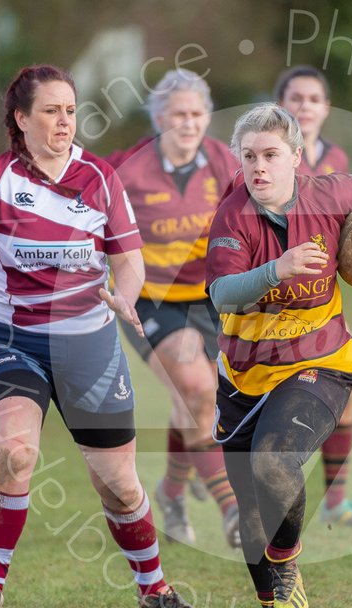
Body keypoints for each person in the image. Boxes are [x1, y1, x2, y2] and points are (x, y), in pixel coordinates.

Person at [0, 64, 196, 608]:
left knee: (120, 484)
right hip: (12, 342)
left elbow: (129, 260)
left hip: (89, 345)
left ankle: (153, 587)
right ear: (21, 118)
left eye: (71, 110)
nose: (64, 122)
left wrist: (124, 297)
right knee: (15, 452)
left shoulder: (100, 177)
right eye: (51, 111)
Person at [205, 104, 352, 608]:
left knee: (274, 462)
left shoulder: (330, 194)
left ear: (297, 158)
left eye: (271, 155)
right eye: (249, 156)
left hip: (320, 364)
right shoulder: (233, 216)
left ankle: (289, 570)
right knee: (248, 513)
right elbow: (222, 295)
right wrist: (276, 269)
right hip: (243, 376)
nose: (259, 167)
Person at [107, 69, 241, 549]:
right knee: (197, 389)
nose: (188, 122)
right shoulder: (128, 169)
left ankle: (170, 492)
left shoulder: (225, 162)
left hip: (210, 298)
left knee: (198, 401)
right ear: (159, 117)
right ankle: (232, 509)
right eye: (178, 114)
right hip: (150, 298)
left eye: (197, 113)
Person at [275, 65, 352, 528]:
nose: (305, 106)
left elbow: (345, 230)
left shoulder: (336, 157)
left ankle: (336, 503)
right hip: (271, 303)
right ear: (281, 107)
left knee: (347, 388)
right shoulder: (268, 158)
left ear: (326, 108)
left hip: (321, 298)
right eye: (296, 97)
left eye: (314, 98)